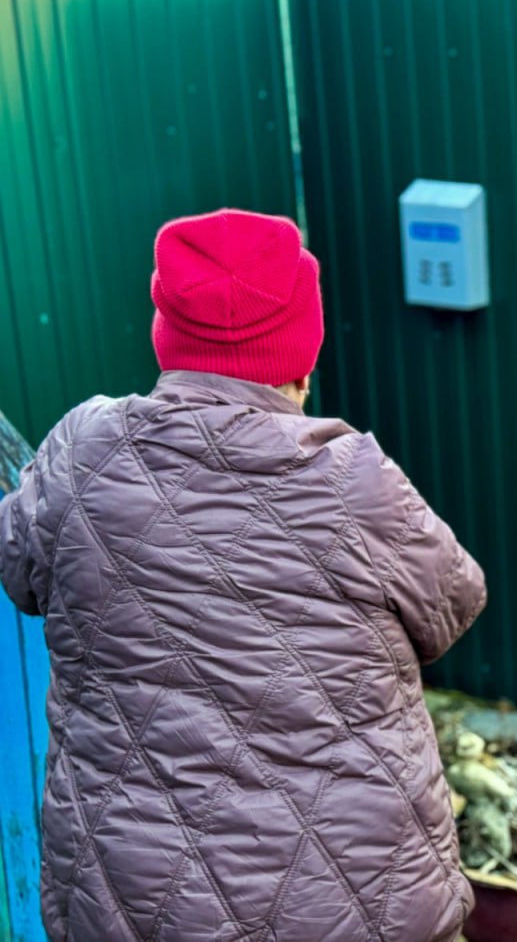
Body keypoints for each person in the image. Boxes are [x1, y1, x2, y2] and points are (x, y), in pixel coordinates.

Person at [0, 209, 486, 941]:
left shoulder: (82, 452)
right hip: (358, 898)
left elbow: (18, 571)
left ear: (170, 339)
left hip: (131, 898)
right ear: (303, 354)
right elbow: (454, 604)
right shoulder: (358, 479)